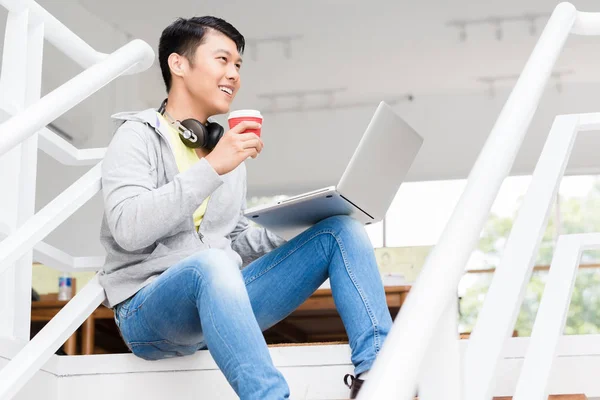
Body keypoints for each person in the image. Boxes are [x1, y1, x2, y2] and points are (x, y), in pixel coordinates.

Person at [98, 15, 393, 400]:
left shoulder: (222, 149)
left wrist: (299, 218)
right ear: (179, 64)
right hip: (148, 313)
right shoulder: (137, 135)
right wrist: (213, 167)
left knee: (340, 230)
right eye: (222, 60)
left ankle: (379, 375)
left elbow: (232, 241)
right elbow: (128, 228)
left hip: (220, 303)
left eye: (238, 65)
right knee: (213, 264)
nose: (234, 74)